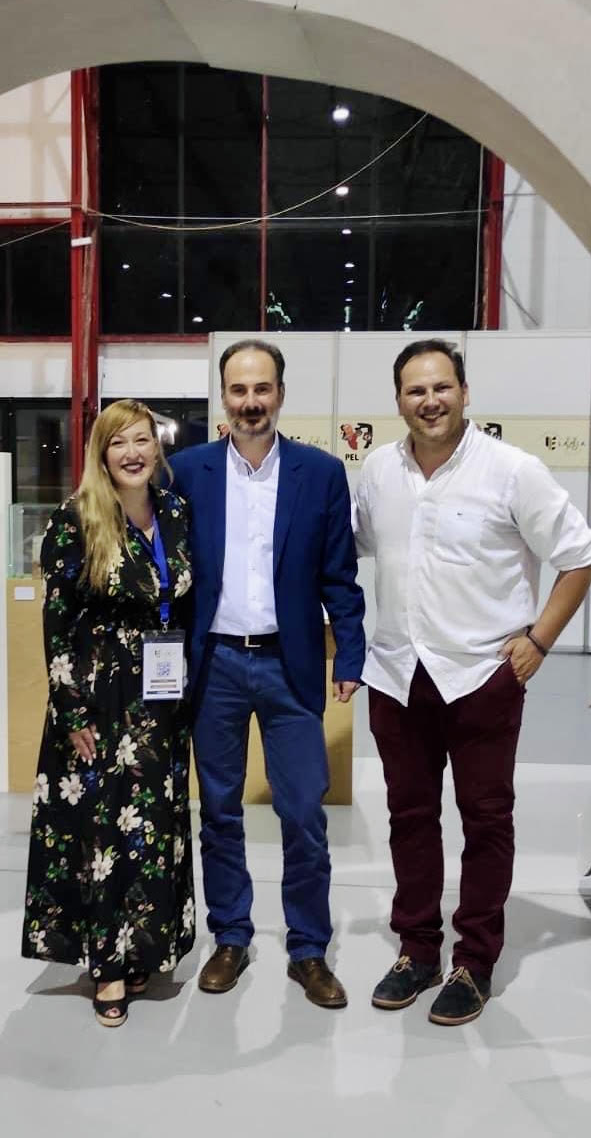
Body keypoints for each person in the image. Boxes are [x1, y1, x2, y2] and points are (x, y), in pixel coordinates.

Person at [354, 339, 591, 1026]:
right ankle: (417, 949)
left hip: (482, 677)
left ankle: (475, 959)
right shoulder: (379, 471)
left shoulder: (512, 471)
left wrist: (539, 639)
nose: (429, 400)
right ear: (399, 400)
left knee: (486, 820)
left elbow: (581, 556)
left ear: (465, 393)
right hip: (399, 675)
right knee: (409, 817)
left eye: (442, 387)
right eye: (415, 390)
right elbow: (351, 549)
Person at [169, 339, 366, 1009]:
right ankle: (230, 935)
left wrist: (351, 654)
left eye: (262, 389)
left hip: (291, 663)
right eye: (238, 389)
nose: (250, 402)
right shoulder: (187, 471)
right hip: (214, 665)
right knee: (219, 810)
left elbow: (340, 576)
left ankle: (308, 949)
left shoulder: (321, 473)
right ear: (223, 396)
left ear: (280, 393)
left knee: (304, 811)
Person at [21, 400, 196, 1028]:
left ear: (157, 448)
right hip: (99, 700)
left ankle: (142, 945)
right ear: (101, 451)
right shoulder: (75, 519)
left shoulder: (174, 511)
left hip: (161, 697)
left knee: (151, 829)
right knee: (101, 834)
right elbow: (57, 621)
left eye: (142, 440)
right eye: (118, 442)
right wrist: (71, 711)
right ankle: (107, 966)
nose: (132, 452)